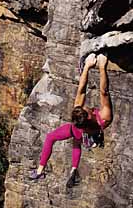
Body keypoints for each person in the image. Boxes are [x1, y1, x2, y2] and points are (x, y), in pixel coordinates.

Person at [30, 54, 112, 187]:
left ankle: (42, 170)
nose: (85, 105)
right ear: (89, 115)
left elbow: (82, 90)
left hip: (81, 132)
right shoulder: (103, 117)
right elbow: (104, 92)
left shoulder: (85, 119)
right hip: (87, 132)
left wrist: (87, 66)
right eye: (85, 108)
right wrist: (102, 66)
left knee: (57, 138)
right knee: (76, 142)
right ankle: (74, 168)